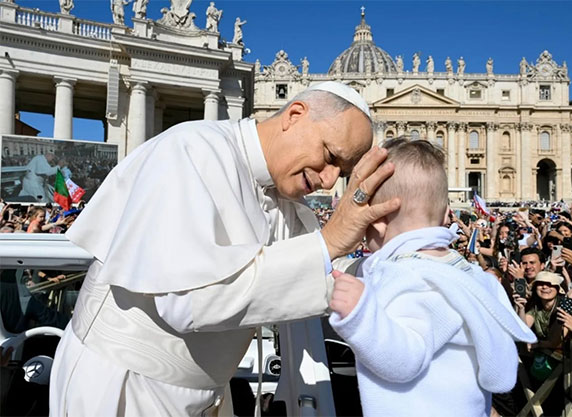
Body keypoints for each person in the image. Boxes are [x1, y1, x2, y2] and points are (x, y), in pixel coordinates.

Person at [49, 82, 400, 416]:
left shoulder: (286, 200)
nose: (329, 180)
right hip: (124, 390)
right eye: (330, 156)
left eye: (342, 172)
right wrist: (329, 240)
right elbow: (184, 300)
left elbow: (321, 276)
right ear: (294, 115)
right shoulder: (191, 150)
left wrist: (396, 266)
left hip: (205, 397)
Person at [328, 138, 536, 416]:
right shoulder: (477, 279)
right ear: (445, 215)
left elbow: (402, 361)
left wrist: (359, 315)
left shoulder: (408, 278)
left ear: (376, 221)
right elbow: (501, 375)